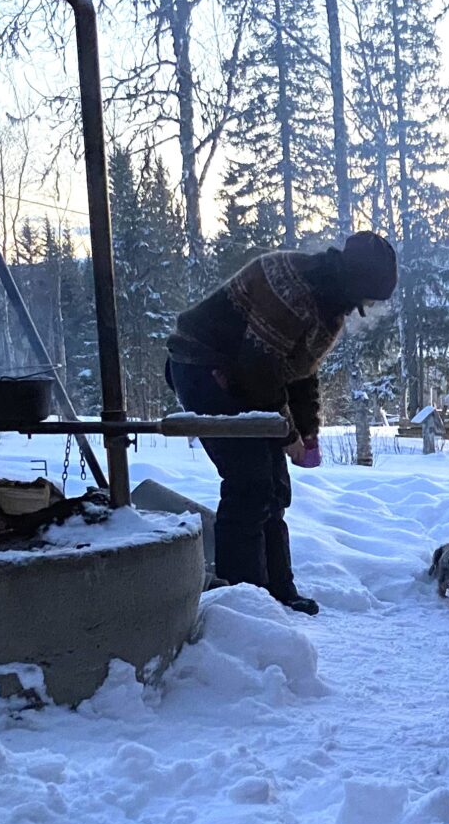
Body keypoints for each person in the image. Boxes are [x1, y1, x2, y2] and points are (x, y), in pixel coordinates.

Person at [166, 232, 398, 613]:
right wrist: (287, 433)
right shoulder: (293, 289)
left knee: (274, 487)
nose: (369, 308)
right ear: (356, 284)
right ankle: (243, 603)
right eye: (369, 299)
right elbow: (259, 370)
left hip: (243, 373)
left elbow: (301, 372)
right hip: (201, 366)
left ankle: (278, 592)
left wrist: (307, 430)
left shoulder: (329, 308)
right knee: (249, 482)